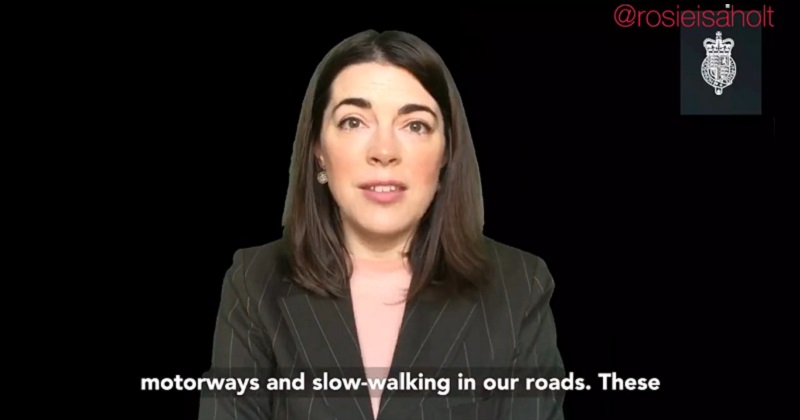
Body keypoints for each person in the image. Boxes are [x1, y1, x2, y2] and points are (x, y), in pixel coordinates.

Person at [198, 29, 565, 420]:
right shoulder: (255, 282)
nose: (384, 151)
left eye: (415, 125)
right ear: (318, 149)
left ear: (446, 151)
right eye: (354, 122)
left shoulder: (519, 286)